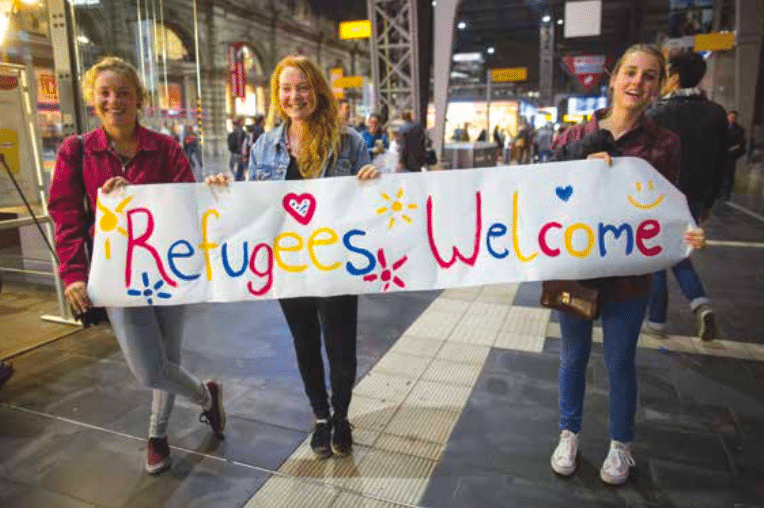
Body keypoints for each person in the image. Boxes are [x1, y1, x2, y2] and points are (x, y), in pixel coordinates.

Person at [47, 56, 225, 475]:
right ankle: (206, 396)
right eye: (105, 93)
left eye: (123, 93)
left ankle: (157, 434)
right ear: (93, 100)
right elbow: (66, 217)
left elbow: (187, 205)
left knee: (168, 356)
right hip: (116, 276)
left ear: (139, 99)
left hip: (168, 269)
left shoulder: (165, 148)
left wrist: (212, 192)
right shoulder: (77, 151)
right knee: (150, 369)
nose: (114, 101)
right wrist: (73, 275)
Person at [546, 44, 707, 486]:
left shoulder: (665, 144)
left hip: (630, 275)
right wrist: (580, 165)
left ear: (658, 86)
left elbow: (669, 206)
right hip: (575, 268)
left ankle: (621, 444)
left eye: (649, 75)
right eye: (631, 72)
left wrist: (687, 230)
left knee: (620, 361)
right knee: (572, 356)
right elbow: (545, 195)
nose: (638, 82)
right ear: (614, 77)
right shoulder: (573, 136)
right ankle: (568, 433)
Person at [208, 55, 378, 458]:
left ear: (317, 91)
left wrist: (374, 180)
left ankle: (341, 416)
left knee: (341, 345)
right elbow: (253, 204)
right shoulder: (264, 145)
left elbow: (371, 207)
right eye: (286, 88)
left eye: (302, 87)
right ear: (277, 95)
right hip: (288, 264)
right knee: (304, 341)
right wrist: (224, 188)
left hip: (336, 261)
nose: (294, 96)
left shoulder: (349, 142)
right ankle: (320, 417)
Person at [644, 50, 726, 341]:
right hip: (695, 196)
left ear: (675, 77)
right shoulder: (716, 113)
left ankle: (657, 320)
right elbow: (721, 162)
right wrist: (709, 201)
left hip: (660, 195)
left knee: (656, 253)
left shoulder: (657, 114)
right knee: (678, 250)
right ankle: (700, 304)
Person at [721, 110, 746, 201]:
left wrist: (733, 152)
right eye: (730, 116)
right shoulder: (721, 127)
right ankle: (719, 193)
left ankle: (727, 194)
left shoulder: (739, 129)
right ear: (727, 117)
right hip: (720, 155)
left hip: (731, 156)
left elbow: (741, 144)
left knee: (729, 176)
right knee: (720, 175)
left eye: (733, 117)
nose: (732, 118)